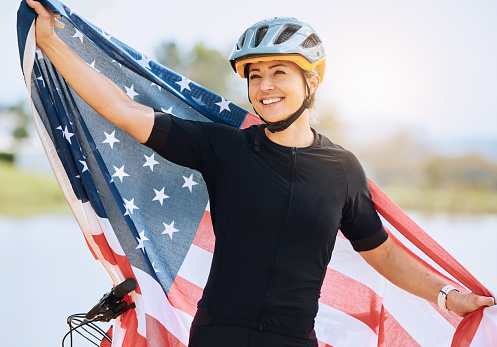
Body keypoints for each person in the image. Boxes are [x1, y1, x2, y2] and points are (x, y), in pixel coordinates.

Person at [27, 1, 495, 346]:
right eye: (254, 75)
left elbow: (383, 253)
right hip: (217, 336)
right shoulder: (223, 147)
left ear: (312, 80)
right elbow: (120, 108)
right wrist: (51, 42)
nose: (265, 86)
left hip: (294, 340)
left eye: (279, 72)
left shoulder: (342, 170)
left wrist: (447, 296)